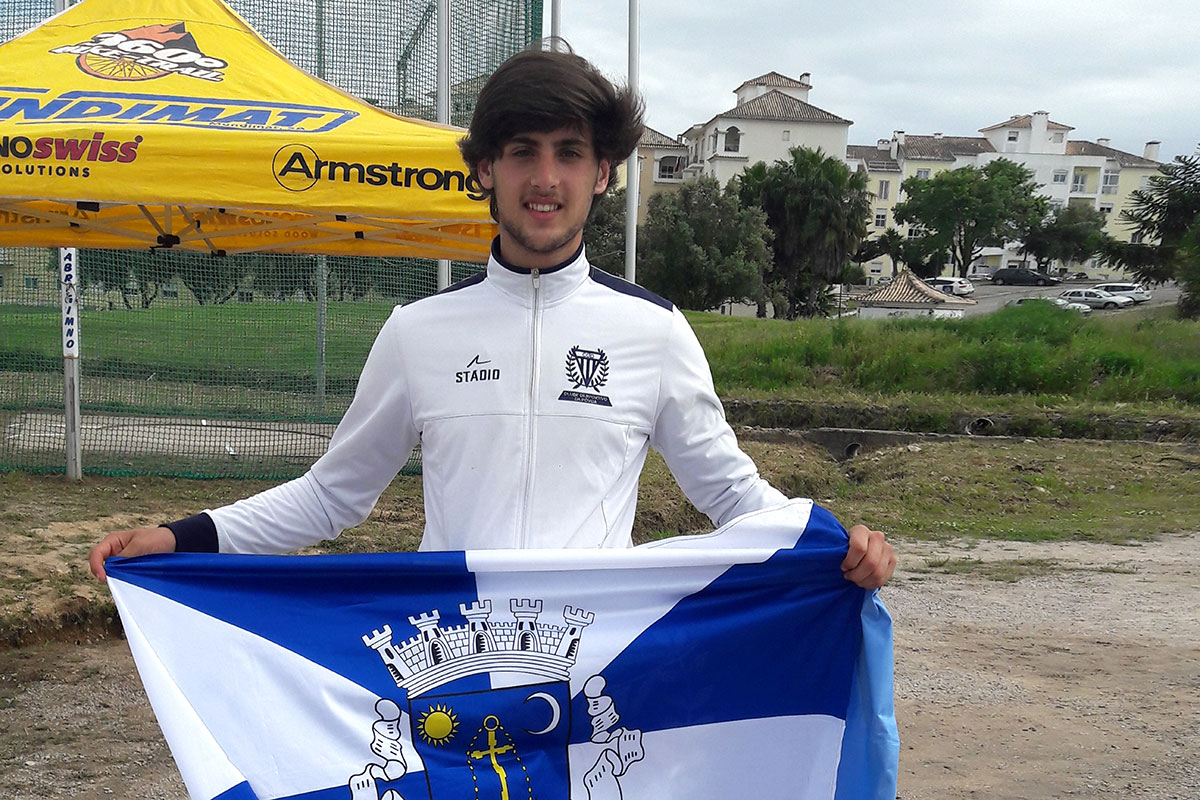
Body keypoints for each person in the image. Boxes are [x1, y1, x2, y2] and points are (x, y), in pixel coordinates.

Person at [89, 44, 895, 589]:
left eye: (570, 153)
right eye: (521, 152)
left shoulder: (655, 331)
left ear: (604, 174)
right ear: (485, 169)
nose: (545, 178)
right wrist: (182, 536)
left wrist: (832, 542)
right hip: (450, 665)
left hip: (596, 672)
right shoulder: (417, 332)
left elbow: (730, 492)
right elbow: (331, 497)